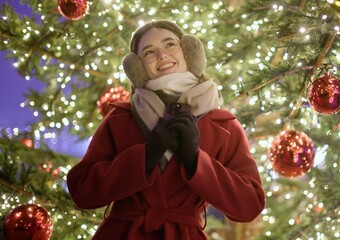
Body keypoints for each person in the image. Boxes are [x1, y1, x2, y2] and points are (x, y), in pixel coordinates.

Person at [67, 20, 265, 240]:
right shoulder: (120, 118)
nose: (161, 55)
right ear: (138, 68)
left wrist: (196, 161)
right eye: (149, 52)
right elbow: (82, 191)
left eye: (170, 44)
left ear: (189, 52)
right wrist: (146, 156)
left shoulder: (224, 124)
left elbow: (250, 205)